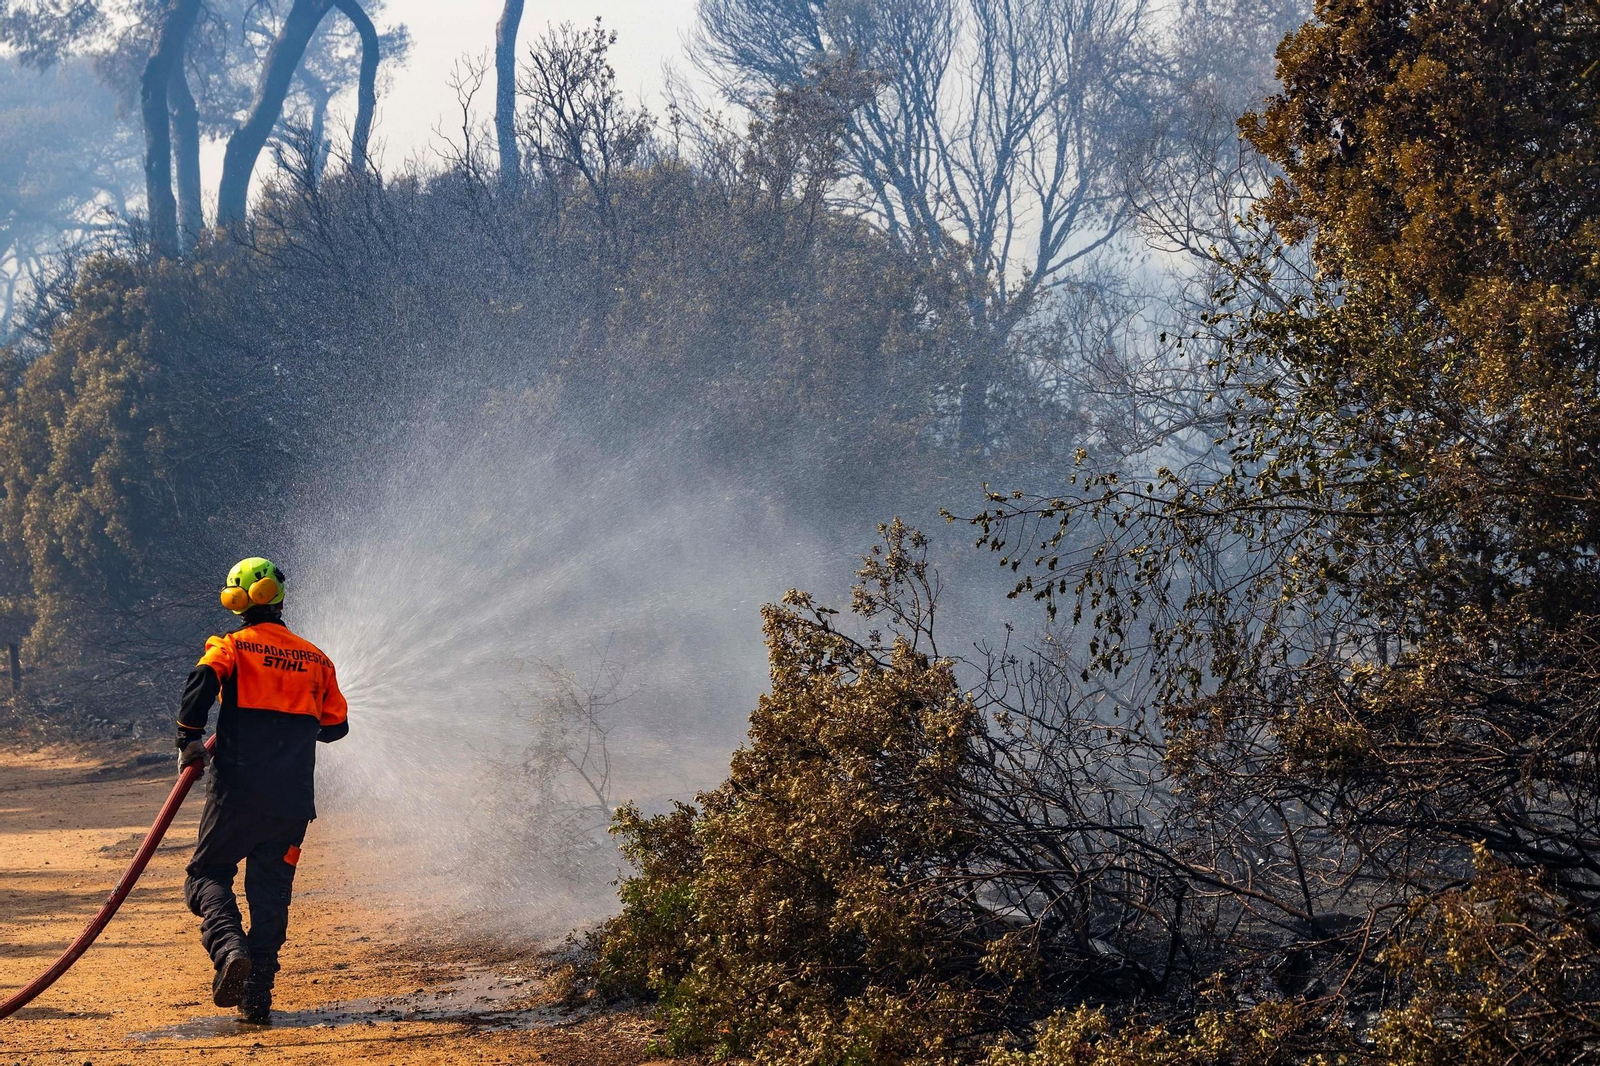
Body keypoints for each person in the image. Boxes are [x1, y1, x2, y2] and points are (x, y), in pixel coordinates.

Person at [176, 557, 348, 1025]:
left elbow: (202, 679)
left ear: (236, 601)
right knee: (270, 894)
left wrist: (189, 736)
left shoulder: (231, 646)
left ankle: (230, 948)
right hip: (292, 803)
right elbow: (336, 728)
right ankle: (257, 996)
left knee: (206, 876)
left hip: (237, 793)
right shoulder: (317, 659)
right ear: (277, 595)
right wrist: (291, 726)